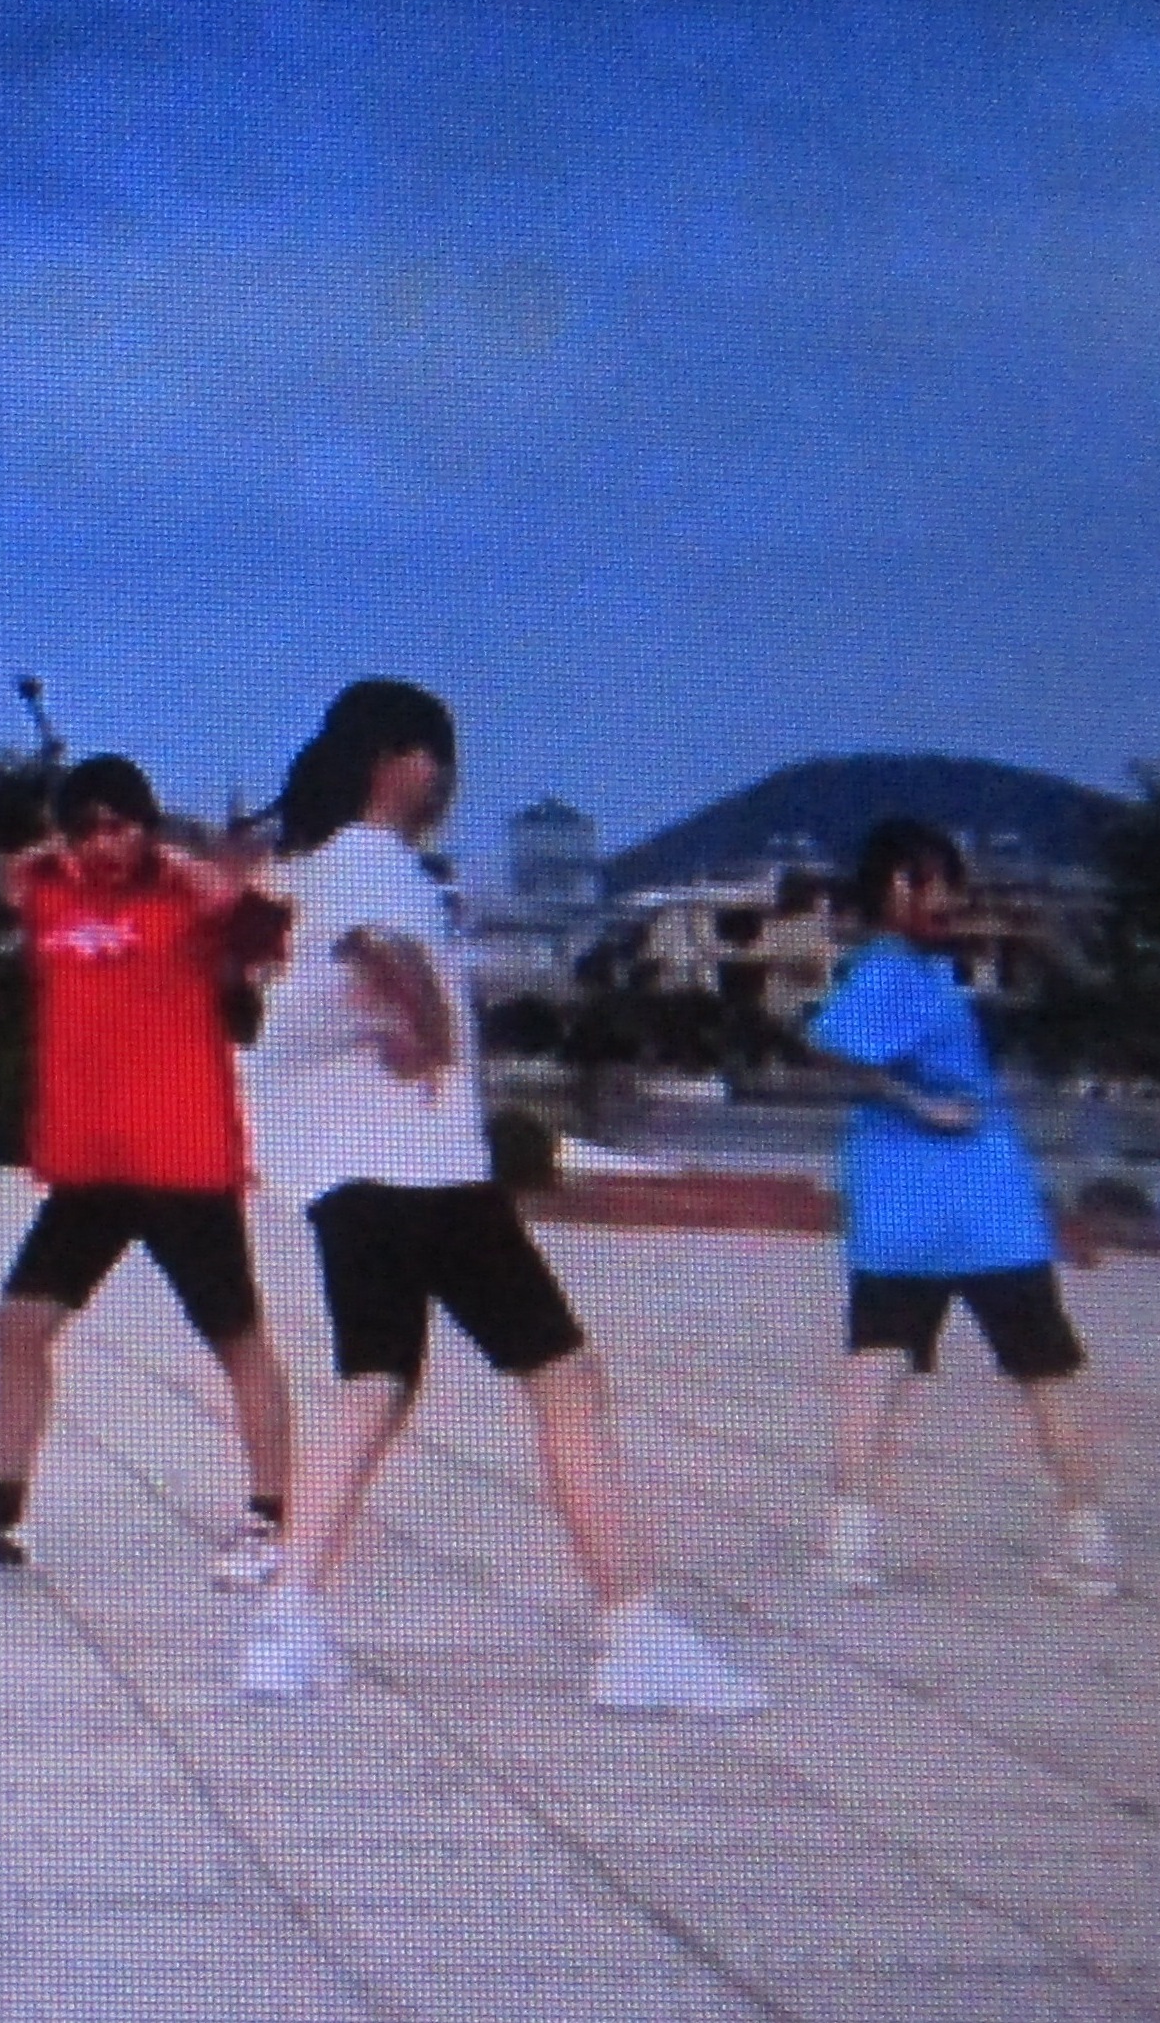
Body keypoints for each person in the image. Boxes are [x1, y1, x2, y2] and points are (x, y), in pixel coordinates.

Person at [228, 680, 766, 1715]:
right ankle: (633, 1632)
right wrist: (423, 1028)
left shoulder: (308, 870)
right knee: (563, 1379)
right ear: (403, 762)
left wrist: (389, 1020)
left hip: (343, 1178)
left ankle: (286, 1625)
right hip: (427, 1176)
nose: (447, 784)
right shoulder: (374, 864)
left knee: (374, 1384)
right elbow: (369, 959)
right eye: (441, 761)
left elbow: (295, 998)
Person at [0, 755, 297, 1589]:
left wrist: (212, 881)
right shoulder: (48, 891)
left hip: (183, 1160)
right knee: (20, 1322)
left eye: (121, 825)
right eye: (87, 829)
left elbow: (269, 937)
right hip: (90, 1165)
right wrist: (29, 848)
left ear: (147, 824)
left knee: (236, 1336)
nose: (105, 844)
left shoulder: (185, 896)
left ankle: (272, 1515)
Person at [806, 817, 1120, 1598]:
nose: (943, 898)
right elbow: (834, 1044)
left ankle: (850, 1541)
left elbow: (833, 1046)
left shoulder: (909, 967)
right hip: (973, 1206)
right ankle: (1087, 1540)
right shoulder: (895, 967)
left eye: (948, 882)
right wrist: (919, 1101)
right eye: (925, 882)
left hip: (927, 1208)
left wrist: (910, 1100)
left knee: (885, 1363)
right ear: (888, 889)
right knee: (1039, 1367)